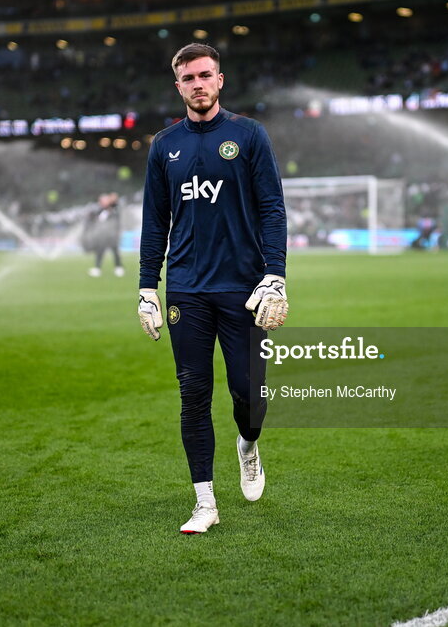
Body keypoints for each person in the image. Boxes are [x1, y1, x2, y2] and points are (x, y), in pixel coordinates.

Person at [137, 43, 289, 534]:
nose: (198, 84)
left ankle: (248, 444)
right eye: (189, 78)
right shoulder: (164, 146)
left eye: (206, 75)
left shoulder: (249, 136)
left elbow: (272, 208)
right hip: (186, 289)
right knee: (193, 393)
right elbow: (154, 222)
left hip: (243, 288)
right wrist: (147, 287)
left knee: (248, 392)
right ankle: (204, 501)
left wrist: (276, 273)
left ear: (220, 80)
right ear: (177, 86)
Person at [84, 192, 125, 277]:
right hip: (102, 235)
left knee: (115, 251)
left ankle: (119, 268)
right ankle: (97, 268)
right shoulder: (99, 211)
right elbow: (92, 219)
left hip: (112, 235)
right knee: (100, 251)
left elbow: (117, 207)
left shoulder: (114, 208)